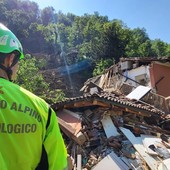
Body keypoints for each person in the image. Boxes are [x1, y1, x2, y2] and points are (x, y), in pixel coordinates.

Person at [0, 23, 68, 170]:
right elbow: (58, 166)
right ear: (10, 59)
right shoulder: (42, 108)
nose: (17, 68)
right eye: (17, 62)